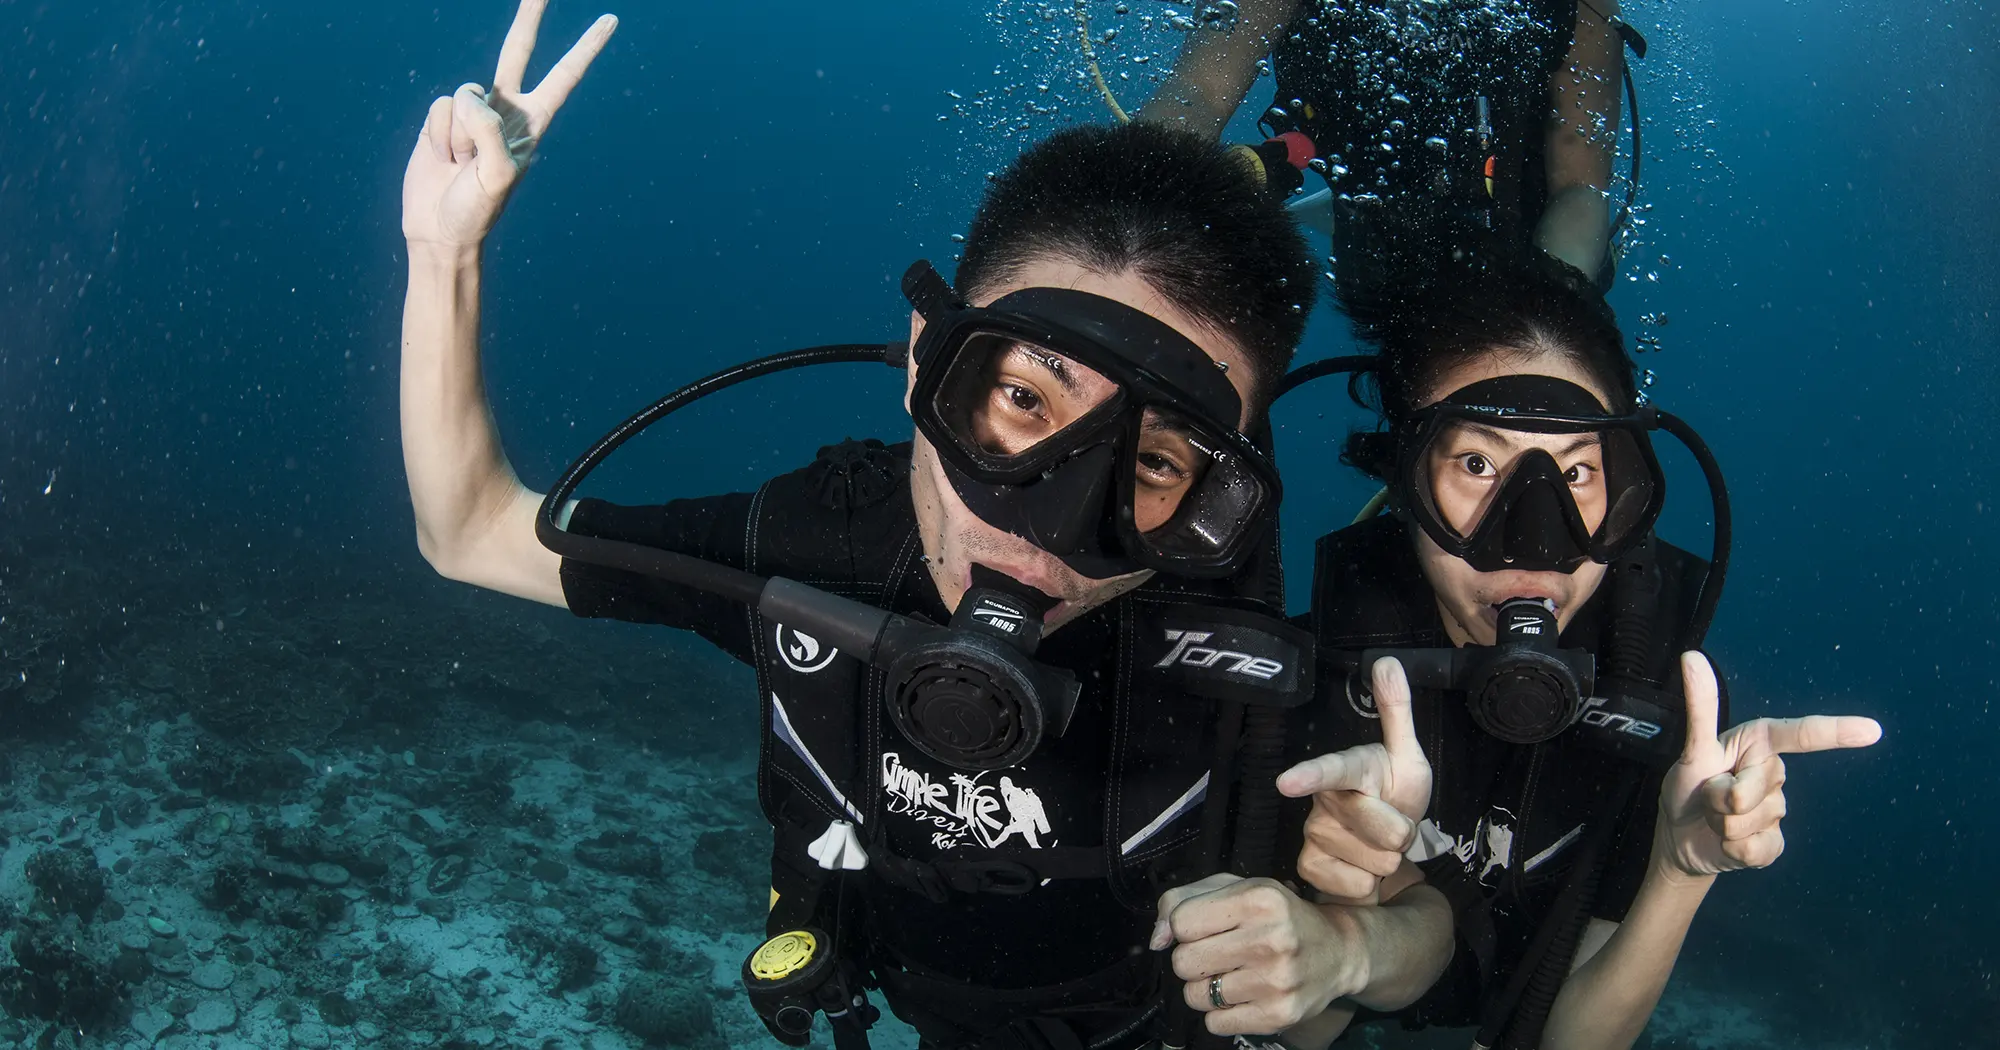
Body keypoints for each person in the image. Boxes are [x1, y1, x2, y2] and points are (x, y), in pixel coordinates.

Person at [397, 3, 1453, 1045]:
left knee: (1146, 195)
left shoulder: (1233, 667)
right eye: (1024, 402)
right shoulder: (828, 549)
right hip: (896, 993)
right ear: (922, 361)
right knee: (1136, 182)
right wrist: (440, 252)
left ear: (1217, 497)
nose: (1047, 530)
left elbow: (1430, 932)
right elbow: (474, 534)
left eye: (1151, 462)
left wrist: (1347, 946)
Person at [1266, 254, 1883, 1047]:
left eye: (1578, 471)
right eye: (1478, 464)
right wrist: (1343, 917)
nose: (1534, 543)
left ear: (1625, 488)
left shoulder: (1665, 690)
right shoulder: (1324, 664)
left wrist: (1680, 870)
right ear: (1405, 482)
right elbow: (1305, 1031)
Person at [1135, 0, 1636, 289]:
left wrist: (1555, 314)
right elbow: (1195, 96)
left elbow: (1581, 189)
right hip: (1366, 205)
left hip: (1514, 223)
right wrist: (1114, 228)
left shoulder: (1584, 7)